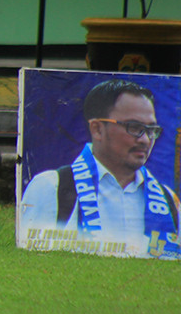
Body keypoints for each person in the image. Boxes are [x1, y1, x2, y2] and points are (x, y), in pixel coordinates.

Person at [21, 79, 181, 258]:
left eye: (151, 130)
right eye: (134, 127)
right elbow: (30, 264)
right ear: (97, 129)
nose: (145, 140)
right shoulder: (51, 187)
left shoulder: (167, 201)